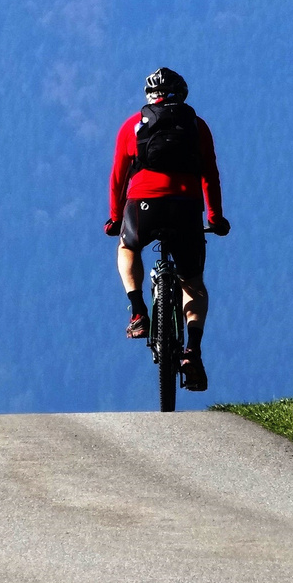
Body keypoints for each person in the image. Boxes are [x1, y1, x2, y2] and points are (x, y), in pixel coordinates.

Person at [104, 67, 230, 392]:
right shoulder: (197, 126)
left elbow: (118, 177)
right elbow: (210, 175)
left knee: (128, 248)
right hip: (186, 206)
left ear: (149, 97)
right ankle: (193, 351)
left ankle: (137, 312)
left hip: (142, 204)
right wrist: (215, 218)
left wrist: (114, 218)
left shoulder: (132, 126)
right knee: (194, 283)